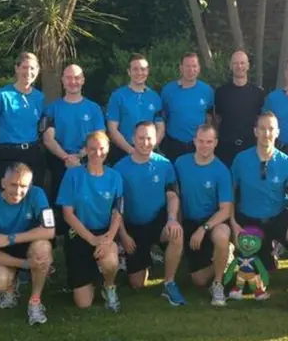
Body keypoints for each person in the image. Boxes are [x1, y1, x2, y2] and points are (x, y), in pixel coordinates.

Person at [230, 111, 288, 320]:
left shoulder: (287, 162)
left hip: (278, 217)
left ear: (277, 132)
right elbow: (230, 196)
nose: (266, 133)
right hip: (249, 222)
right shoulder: (240, 160)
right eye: (262, 128)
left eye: (271, 129)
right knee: (252, 283)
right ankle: (265, 258)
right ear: (255, 131)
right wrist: (234, 224)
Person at [114, 121, 186, 305]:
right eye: (141, 138)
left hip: (158, 221)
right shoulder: (120, 168)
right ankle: (143, 258)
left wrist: (171, 219)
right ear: (132, 139)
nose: (145, 143)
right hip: (133, 227)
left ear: (155, 140)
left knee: (176, 233)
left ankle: (169, 283)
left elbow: (172, 195)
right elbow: (116, 206)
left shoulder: (165, 164)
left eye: (149, 138)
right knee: (137, 284)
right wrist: (123, 235)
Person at [0, 162, 54, 325]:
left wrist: (10, 238)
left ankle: (35, 301)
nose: (18, 191)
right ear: (3, 183)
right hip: (3, 251)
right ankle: (11, 287)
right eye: (13, 184)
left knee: (43, 248)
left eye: (23, 186)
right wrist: (26, 264)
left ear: (30, 186)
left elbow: (50, 231)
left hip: (27, 244)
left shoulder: (37, 194)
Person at [56, 131, 123, 311]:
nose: (97, 153)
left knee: (109, 261)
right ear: (85, 150)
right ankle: (92, 276)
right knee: (83, 303)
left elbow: (118, 212)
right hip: (79, 233)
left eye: (101, 149)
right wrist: (91, 240)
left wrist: (108, 238)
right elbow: (67, 214)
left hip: (104, 232)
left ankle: (109, 286)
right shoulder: (73, 175)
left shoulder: (115, 177)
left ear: (107, 150)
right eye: (92, 149)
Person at [43, 64, 105, 235]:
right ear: (62, 80)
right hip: (60, 164)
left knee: (87, 204)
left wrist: (79, 156)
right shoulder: (53, 108)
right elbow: (48, 138)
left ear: (83, 80)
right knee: (62, 207)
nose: (73, 81)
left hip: (88, 162)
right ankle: (64, 244)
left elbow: (100, 137)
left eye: (77, 77)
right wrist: (66, 158)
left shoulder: (93, 109)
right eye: (69, 77)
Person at [174, 124, 233, 306]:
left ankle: (218, 283)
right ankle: (226, 261)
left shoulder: (221, 170)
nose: (204, 145)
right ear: (194, 141)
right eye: (200, 141)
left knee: (222, 236)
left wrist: (204, 228)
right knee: (198, 280)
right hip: (190, 222)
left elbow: (226, 209)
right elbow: (174, 197)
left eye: (209, 141)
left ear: (215, 143)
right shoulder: (180, 163)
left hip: (213, 221)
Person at [0, 52, 45, 189]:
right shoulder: (2, 95)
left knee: (33, 192)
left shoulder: (39, 97)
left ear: (37, 71)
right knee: (6, 192)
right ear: (17, 68)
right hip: (7, 152)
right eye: (25, 67)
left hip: (31, 152)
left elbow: (40, 124)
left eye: (32, 68)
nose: (28, 72)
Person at [106, 53, 164, 164]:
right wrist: (131, 150)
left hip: (148, 152)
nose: (139, 73)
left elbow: (160, 128)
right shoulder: (118, 96)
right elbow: (112, 129)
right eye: (135, 69)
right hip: (123, 153)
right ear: (129, 72)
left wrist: (149, 149)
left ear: (147, 71)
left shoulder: (155, 97)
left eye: (143, 69)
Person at [214, 50, 265, 167]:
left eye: (242, 63)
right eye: (236, 63)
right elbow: (216, 119)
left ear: (248, 66)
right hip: (225, 148)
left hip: (250, 147)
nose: (239, 66)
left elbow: (260, 120)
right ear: (231, 66)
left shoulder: (258, 93)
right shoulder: (220, 92)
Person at [161, 52, 214, 163]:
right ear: (181, 68)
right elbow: (163, 117)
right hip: (174, 145)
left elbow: (209, 116)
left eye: (194, 66)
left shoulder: (207, 91)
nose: (191, 70)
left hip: (198, 146)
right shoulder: (168, 90)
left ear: (199, 68)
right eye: (187, 66)